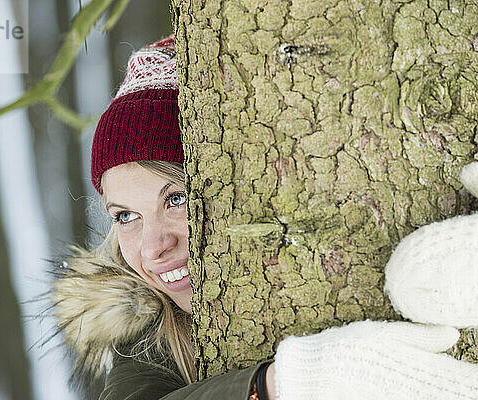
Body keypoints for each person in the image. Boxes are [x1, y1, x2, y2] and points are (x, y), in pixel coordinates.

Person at [50, 36, 478, 399]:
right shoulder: (147, 331)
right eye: (126, 216)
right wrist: (281, 384)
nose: (153, 246)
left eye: (176, 197)